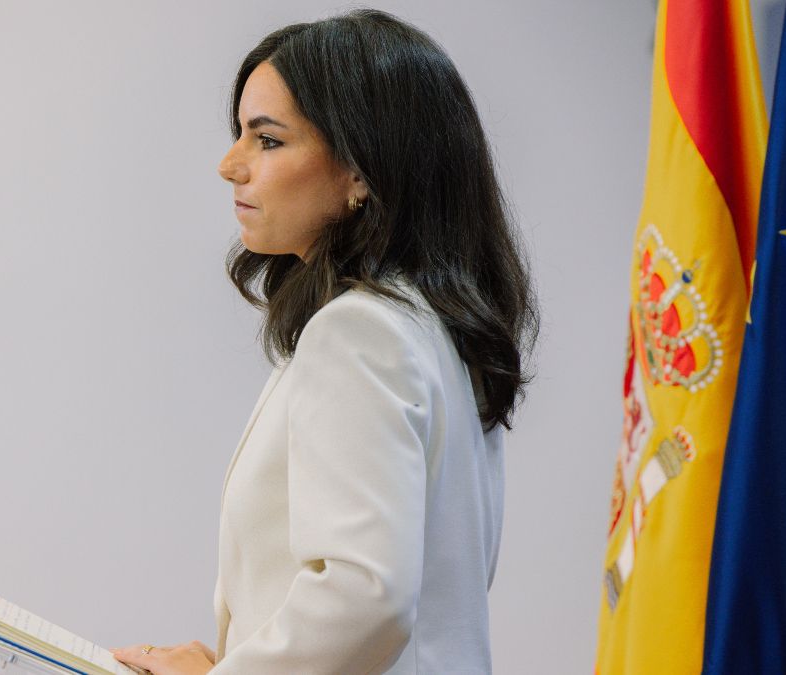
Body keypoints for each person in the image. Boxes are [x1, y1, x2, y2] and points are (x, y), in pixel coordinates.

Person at [111, 7, 537, 674]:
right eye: (239, 135)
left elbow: (366, 599)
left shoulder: (360, 332)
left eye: (267, 140)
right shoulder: (431, 327)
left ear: (361, 171)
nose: (230, 165)